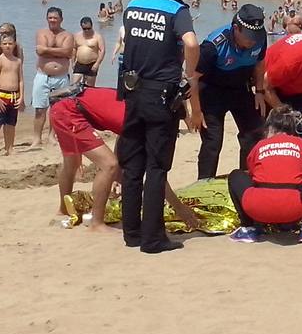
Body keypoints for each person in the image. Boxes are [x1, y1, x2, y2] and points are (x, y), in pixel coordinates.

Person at [116, 0, 201, 254]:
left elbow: (126, 41)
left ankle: (132, 233)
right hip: (160, 94)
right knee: (156, 167)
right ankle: (153, 239)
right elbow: (191, 43)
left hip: (132, 91)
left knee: (132, 166)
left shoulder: (132, 6)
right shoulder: (177, 10)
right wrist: (191, 74)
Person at [49, 86, 200, 232]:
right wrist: (180, 208)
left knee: (73, 163)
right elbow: (155, 173)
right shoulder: (144, 121)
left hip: (65, 105)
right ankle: (96, 223)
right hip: (68, 110)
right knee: (109, 165)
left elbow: (122, 135)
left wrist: (115, 178)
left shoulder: (141, 106)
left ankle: (64, 210)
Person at [227, 105, 302, 244]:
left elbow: (252, 173)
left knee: (235, 175)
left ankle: (248, 228)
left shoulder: (260, 145)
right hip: (294, 210)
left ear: (270, 128)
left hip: (258, 209)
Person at [193, 4, 268, 179]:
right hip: (212, 92)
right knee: (213, 141)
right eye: (249, 37)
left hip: (240, 88)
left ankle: (247, 178)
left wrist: (259, 91)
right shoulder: (213, 46)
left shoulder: (260, 37)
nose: (252, 42)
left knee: (254, 133)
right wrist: (196, 111)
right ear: (236, 28)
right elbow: (193, 78)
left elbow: (260, 63)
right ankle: (204, 183)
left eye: (255, 37)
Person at [32, 7, 74, 147]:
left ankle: (52, 136)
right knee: (39, 109)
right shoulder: (41, 33)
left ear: (61, 19)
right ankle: (37, 138)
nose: (52, 20)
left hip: (61, 77)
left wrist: (47, 50)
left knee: (58, 109)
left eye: (55, 18)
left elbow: (68, 52)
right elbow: (40, 51)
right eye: (50, 17)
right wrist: (59, 52)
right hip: (43, 76)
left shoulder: (67, 35)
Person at [0, 35, 23, 155]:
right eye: (5, 44)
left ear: (14, 45)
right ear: (1, 45)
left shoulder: (17, 61)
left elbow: (21, 80)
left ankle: (9, 148)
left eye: (10, 44)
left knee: (11, 123)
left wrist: (21, 97)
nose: (7, 46)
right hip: (2, 95)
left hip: (14, 96)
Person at [71, 16, 105, 88]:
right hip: (79, 64)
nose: (87, 30)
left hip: (91, 64)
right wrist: (72, 62)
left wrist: (97, 63)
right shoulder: (77, 36)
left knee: (90, 87)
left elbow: (102, 50)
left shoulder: (97, 37)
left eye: (88, 28)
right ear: (81, 27)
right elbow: (74, 49)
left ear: (92, 26)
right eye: (84, 29)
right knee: (74, 85)